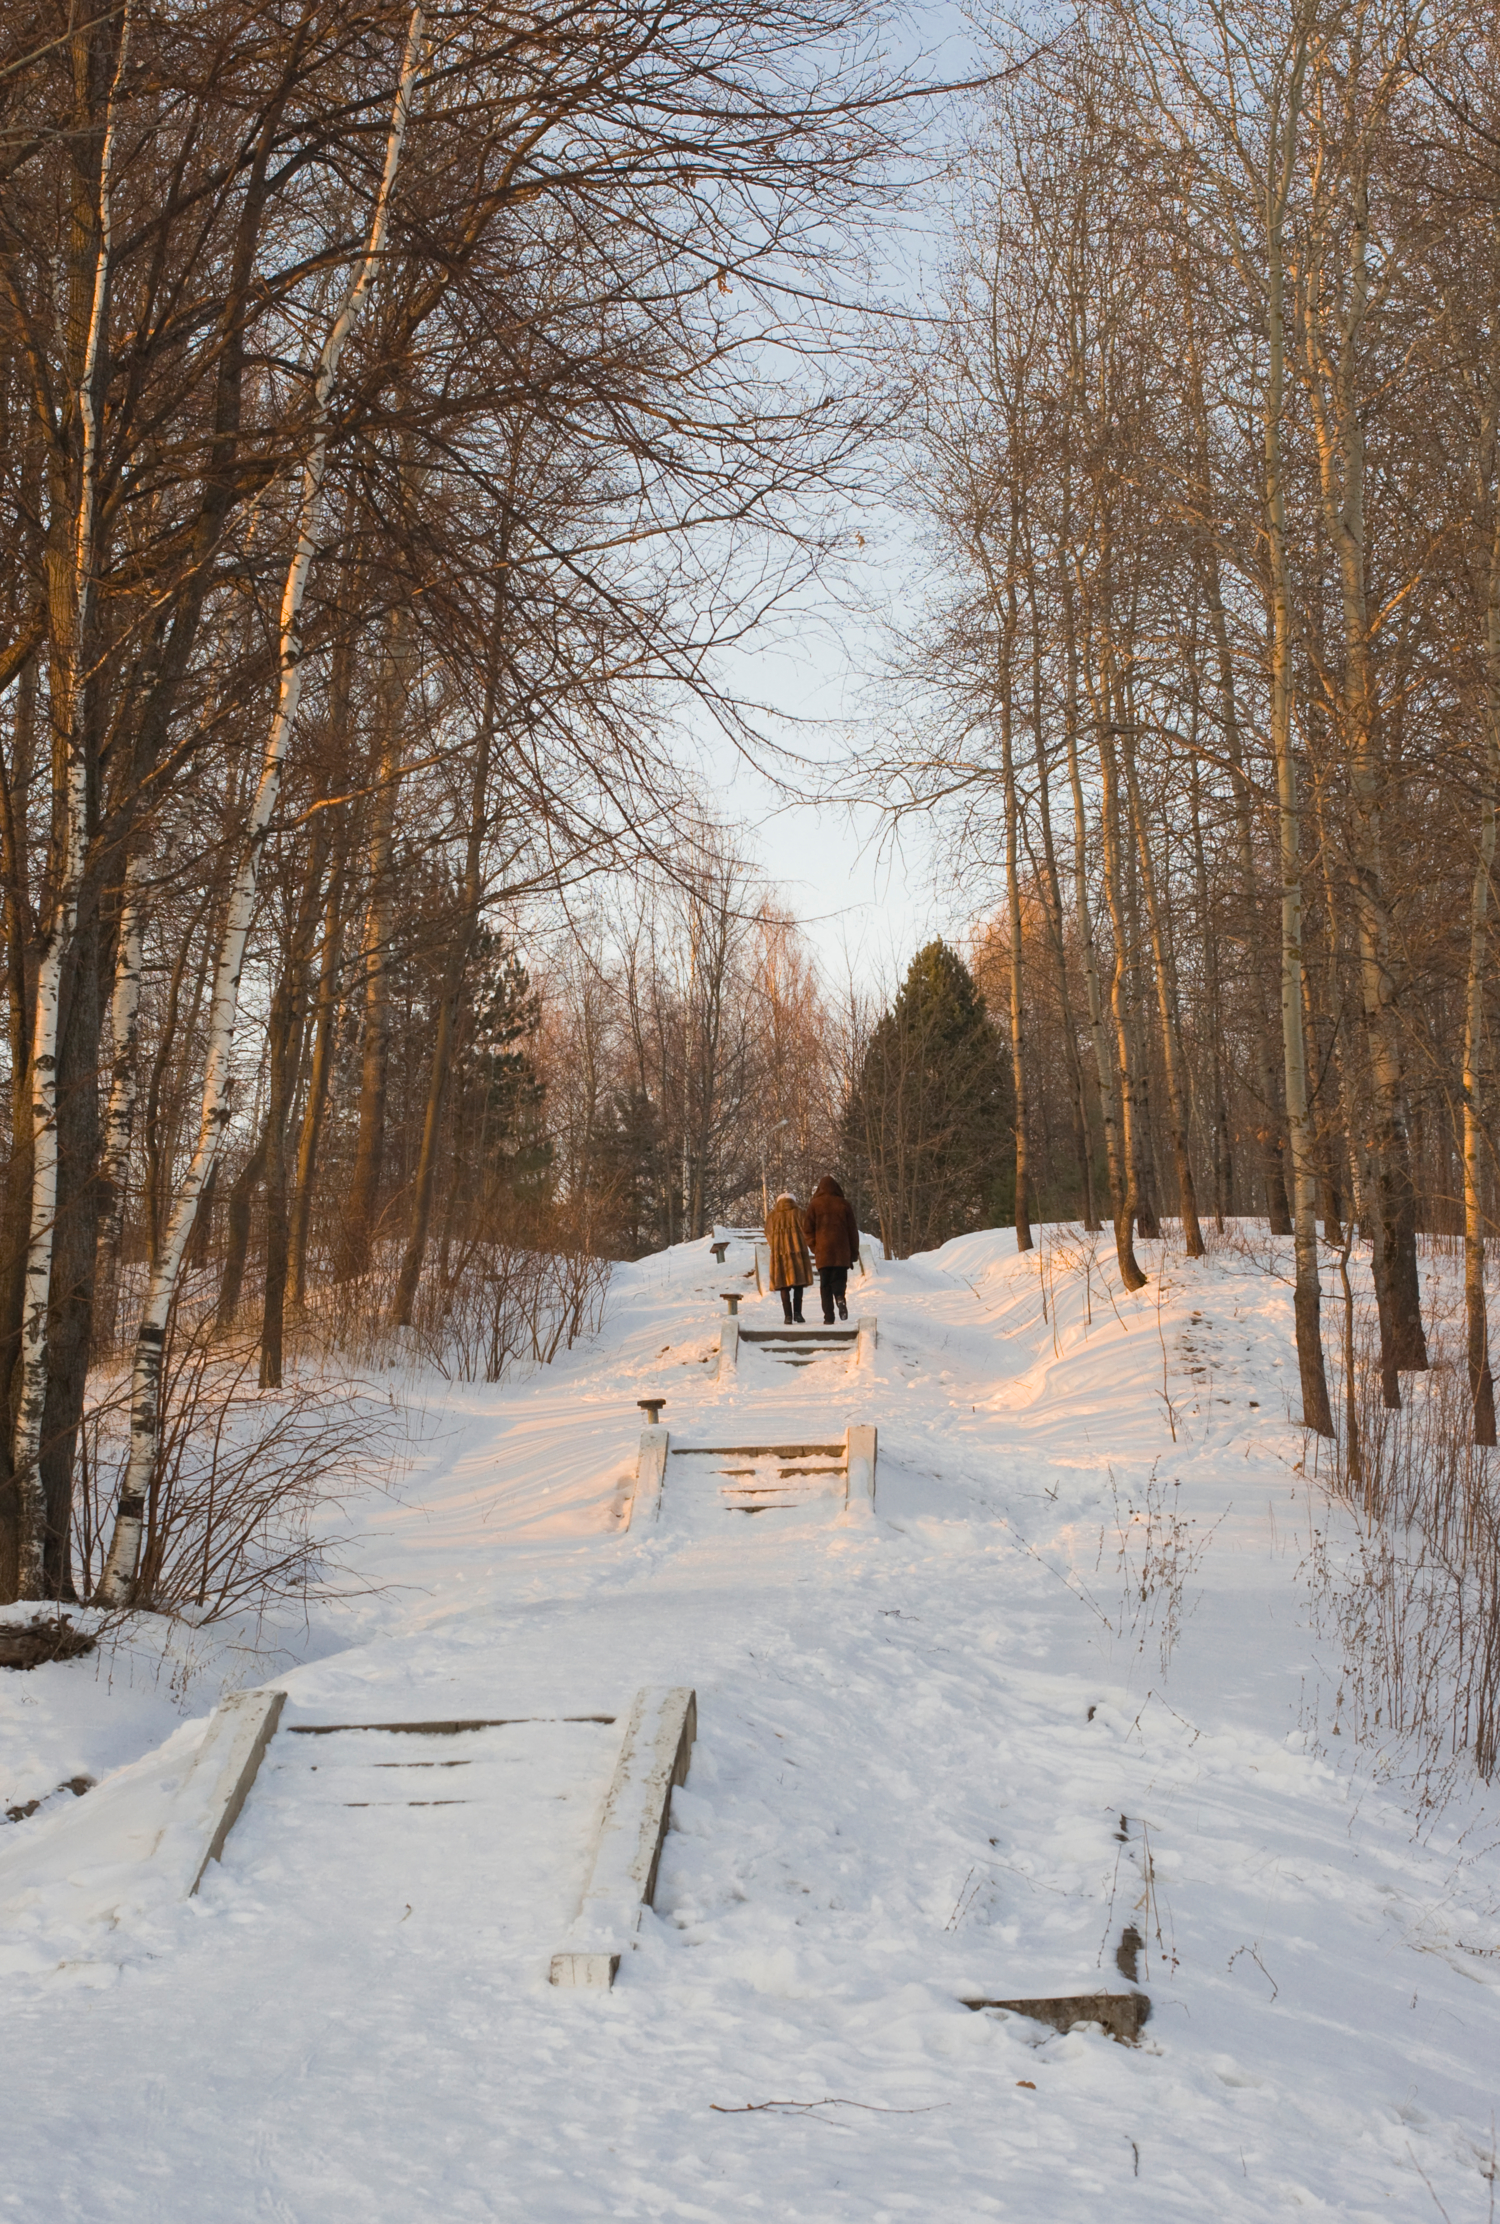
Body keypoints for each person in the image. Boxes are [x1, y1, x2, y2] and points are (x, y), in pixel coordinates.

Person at [801, 1175, 860, 1324]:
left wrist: (815, 1247)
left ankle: (828, 1317)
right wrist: (853, 1253)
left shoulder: (814, 1205)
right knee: (839, 1280)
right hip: (842, 1252)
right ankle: (840, 1298)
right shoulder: (844, 1204)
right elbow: (852, 1231)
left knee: (825, 1286)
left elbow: (807, 1229)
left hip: (824, 1252)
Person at [764, 1191, 812, 1323]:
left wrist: (776, 1245)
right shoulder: (800, 1213)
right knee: (799, 1284)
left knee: (783, 1285)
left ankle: (787, 1316)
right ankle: (798, 1313)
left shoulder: (772, 1216)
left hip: (780, 1255)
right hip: (798, 1253)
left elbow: (768, 1234)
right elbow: (808, 1231)